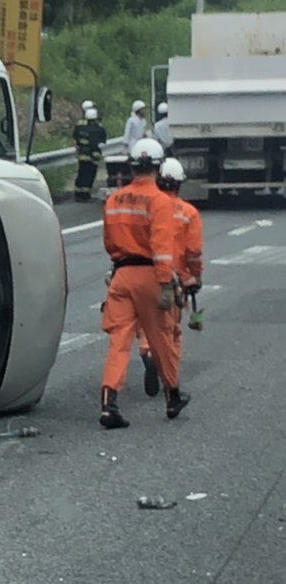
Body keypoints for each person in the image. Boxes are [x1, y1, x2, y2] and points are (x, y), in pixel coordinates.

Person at [99, 137, 189, 428]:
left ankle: (108, 403)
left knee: (120, 341)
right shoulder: (160, 201)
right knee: (161, 338)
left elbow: (110, 242)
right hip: (150, 275)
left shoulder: (114, 199)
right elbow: (162, 246)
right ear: (159, 167)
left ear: (132, 166)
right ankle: (172, 396)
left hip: (121, 274)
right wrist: (166, 283)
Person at [137, 156, 203, 396]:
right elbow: (194, 251)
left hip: (144, 273)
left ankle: (147, 351)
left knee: (146, 323)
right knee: (172, 329)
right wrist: (195, 277)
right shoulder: (189, 213)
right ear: (179, 183)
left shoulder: (147, 206)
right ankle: (169, 377)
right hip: (176, 278)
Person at [72, 105, 107, 203]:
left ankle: (78, 194)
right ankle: (85, 195)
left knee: (81, 173)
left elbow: (75, 138)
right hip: (93, 156)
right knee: (89, 175)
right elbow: (102, 142)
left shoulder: (80, 127)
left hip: (82, 154)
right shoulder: (99, 129)